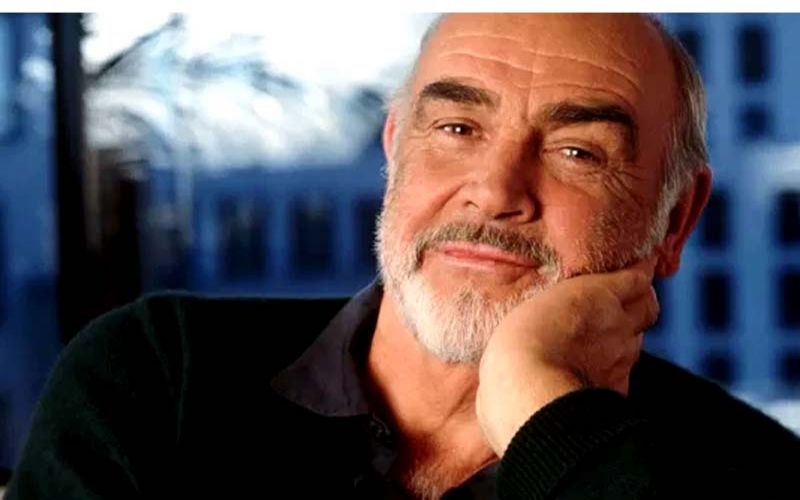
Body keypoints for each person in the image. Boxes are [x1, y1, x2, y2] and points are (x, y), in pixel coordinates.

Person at [6, 13, 800, 500]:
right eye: (456, 129)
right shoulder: (153, 376)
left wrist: (546, 413)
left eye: (576, 151)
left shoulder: (752, 474)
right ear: (395, 150)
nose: (493, 192)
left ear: (675, 220)